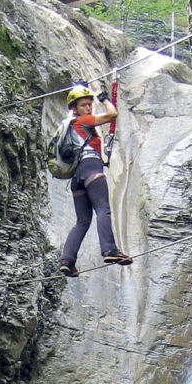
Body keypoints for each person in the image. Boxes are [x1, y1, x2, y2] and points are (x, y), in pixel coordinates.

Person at [59, 84, 132, 277]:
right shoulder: (83, 121)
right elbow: (112, 114)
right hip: (91, 168)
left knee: (82, 221)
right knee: (102, 208)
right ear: (75, 109)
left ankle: (67, 260)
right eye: (84, 105)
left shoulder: (68, 126)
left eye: (89, 104)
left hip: (77, 177)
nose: (88, 108)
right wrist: (104, 98)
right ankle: (109, 249)